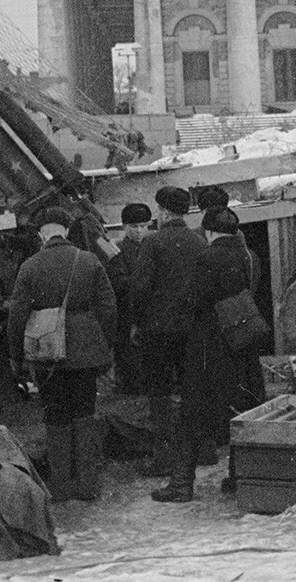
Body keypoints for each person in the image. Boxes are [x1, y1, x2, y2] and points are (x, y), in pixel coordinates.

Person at [152, 206, 265, 503]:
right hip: (241, 341)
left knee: (192, 412)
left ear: (209, 231)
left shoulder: (206, 257)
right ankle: (237, 477)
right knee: (240, 406)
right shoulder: (249, 256)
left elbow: (195, 299)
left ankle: (181, 484)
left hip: (209, 344)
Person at [8, 207, 117, 501]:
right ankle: (89, 486)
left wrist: (16, 355)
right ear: (66, 231)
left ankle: (62, 488)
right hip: (84, 352)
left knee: (55, 416)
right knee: (84, 413)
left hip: (46, 352)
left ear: (42, 234)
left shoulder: (30, 266)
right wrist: (103, 346)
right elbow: (108, 308)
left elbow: (17, 314)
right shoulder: (89, 260)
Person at [130, 186, 206, 477]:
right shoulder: (199, 242)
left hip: (157, 330)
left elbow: (140, 288)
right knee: (192, 390)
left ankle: (163, 458)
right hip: (192, 328)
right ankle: (201, 451)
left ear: (162, 211)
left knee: (159, 393)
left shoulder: (153, 243)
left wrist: (138, 321)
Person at [110, 202, 151, 394]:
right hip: (128, 313)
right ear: (125, 227)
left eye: (143, 226)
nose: (139, 231)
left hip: (150, 312)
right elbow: (120, 284)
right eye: (134, 226)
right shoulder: (117, 250)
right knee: (131, 361)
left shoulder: (154, 245)